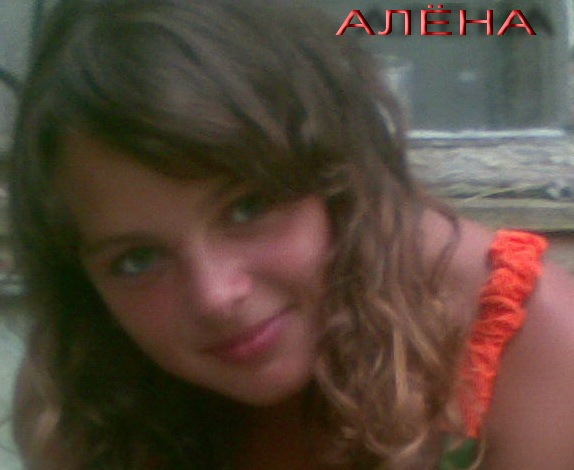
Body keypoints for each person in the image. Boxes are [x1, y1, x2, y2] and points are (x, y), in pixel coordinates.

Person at [8, 0, 574, 469]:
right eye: (137, 260)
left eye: (247, 208)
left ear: (337, 177)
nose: (216, 295)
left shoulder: (527, 341)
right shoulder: (78, 393)